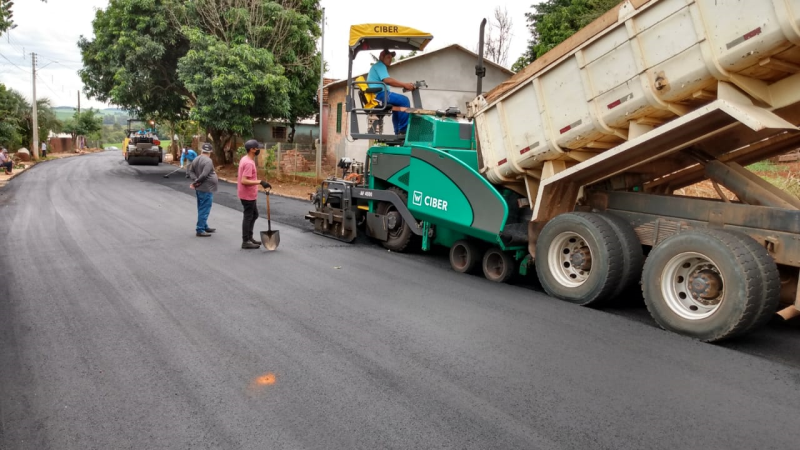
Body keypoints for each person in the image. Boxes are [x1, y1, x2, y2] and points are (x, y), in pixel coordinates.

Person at [367, 48, 417, 135]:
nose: (390, 60)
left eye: (391, 58)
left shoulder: (378, 67)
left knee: (398, 107)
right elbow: (387, 80)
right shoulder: (380, 66)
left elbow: (388, 81)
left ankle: (398, 132)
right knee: (404, 101)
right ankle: (403, 131)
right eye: (388, 57)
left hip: (380, 95)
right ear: (381, 57)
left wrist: (405, 85)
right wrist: (404, 85)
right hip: (381, 95)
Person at [237, 139, 271, 249]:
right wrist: (261, 182)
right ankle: (245, 240)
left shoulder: (245, 159)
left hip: (249, 194)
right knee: (248, 216)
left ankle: (249, 237)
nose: (258, 150)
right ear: (252, 149)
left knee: (254, 215)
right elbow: (244, 180)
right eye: (257, 148)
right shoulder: (248, 163)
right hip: (247, 195)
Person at [188, 143, 219, 237]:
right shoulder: (208, 161)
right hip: (206, 188)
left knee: (201, 207)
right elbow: (205, 175)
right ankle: (200, 229)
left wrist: (195, 180)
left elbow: (190, 171)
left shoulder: (196, 159)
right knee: (205, 208)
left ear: (201, 150)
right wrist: (196, 182)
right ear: (210, 152)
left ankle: (204, 226)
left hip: (200, 188)